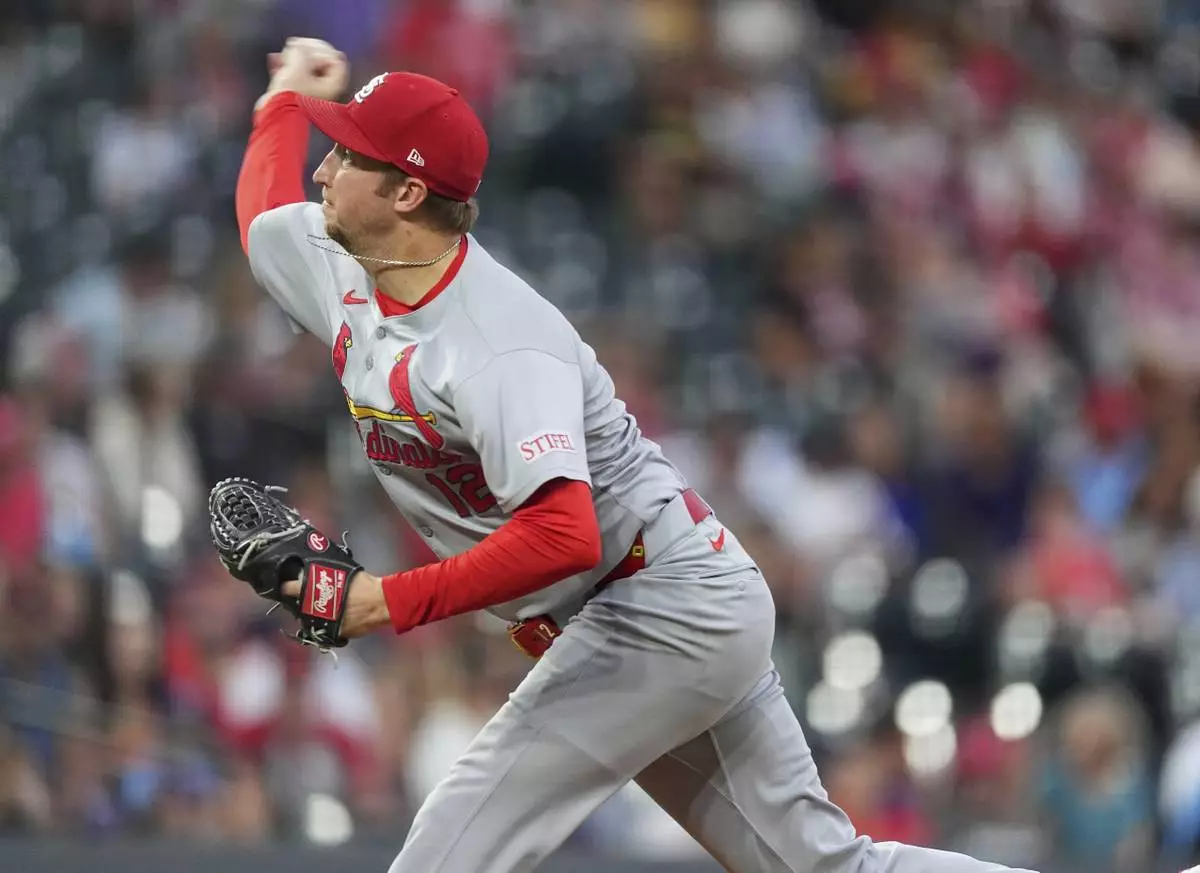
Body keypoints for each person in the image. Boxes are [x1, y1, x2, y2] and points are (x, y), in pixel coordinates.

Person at [236, 36, 1040, 873]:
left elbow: (563, 535)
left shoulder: (499, 344)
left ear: (407, 191)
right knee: (824, 866)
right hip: (645, 608)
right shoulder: (346, 260)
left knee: (446, 855)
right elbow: (262, 221)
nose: (323, 171)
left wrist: (382, 601)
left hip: (657, 603)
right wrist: (283, 101)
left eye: (346, 156)